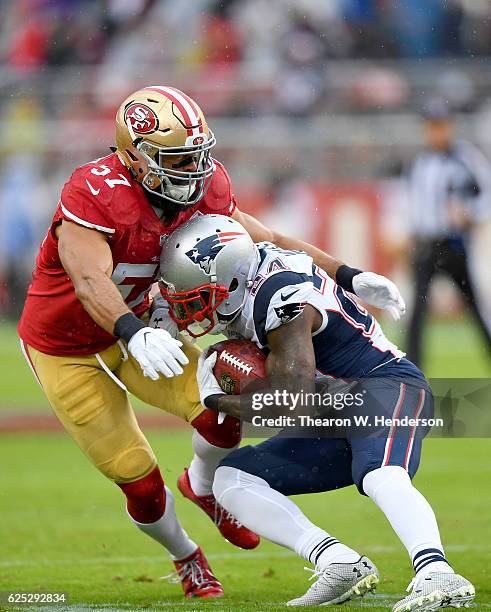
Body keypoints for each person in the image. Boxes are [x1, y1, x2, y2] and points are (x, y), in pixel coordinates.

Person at [17, 86, 406, 599]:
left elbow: (266, 237)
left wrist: (347, 274)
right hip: (66, 347)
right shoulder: (95, 191)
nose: (194, 169)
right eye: (177, 158)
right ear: (135, 156)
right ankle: (185, 556)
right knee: (138, 479)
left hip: (144, 329)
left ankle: (202, 485)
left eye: (197, 154)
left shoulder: (205, 186)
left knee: (224, 408)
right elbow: (90, 281)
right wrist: (131, 332)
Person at [159, 214, 475, 610]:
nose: (192, 311)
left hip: (382, 386)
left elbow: (292, 403)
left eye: (199, 296)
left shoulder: (283, 301)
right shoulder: (252, 267)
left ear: (232, 281)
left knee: (381, 473)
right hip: (330, 407)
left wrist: (215, 399)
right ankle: (339, 563)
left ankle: (437, 571)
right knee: (231, 478)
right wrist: (349, 275)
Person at [405, 99, 491, 366]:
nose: (435, 132)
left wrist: (470, 213)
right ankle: (413, 370)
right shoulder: (420, 161)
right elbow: (416, 204)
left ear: (450, 127)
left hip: (452, 244)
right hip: (426, 244)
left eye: (440, 126)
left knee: (474, 306)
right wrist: (412, 233)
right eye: (431, 126)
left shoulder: (465, 158)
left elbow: (486, 195)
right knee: (417, 310)